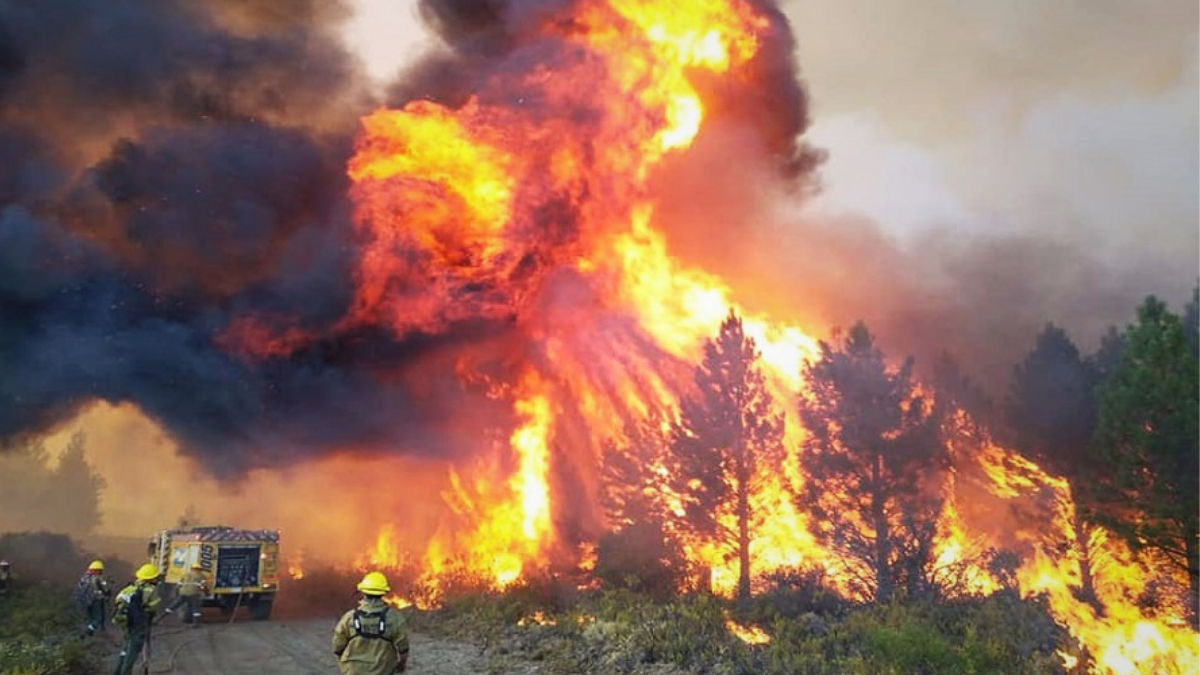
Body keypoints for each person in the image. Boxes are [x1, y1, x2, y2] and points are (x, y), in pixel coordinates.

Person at [332, 571, 409, 675]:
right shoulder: (394, 618)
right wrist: (402, 664)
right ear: (383, 593)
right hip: (383, 670)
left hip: (354, 671)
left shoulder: (349, 617)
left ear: (363, 593)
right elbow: (403, 647)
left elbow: (337, 646)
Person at [113, 563, 166, 675]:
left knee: (126, 646)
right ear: (151, 578)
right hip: (140, 622)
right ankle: (125, 672)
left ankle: (117, 671)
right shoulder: (151, 590)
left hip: (125, 621)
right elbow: (154, 606)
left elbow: (117, 600)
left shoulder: (130, 587)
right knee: (133, 650)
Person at [73, 559, 112, 635]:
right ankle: (87, 631)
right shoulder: (98, 578)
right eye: (100, 571)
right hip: (96, 600)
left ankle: (89, 633)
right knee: (98, 619)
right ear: (97, 570)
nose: (101, 572)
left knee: (90, 618)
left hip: (84, 601)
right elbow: (106, 589)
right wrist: (108, 588)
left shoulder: (84, 578)